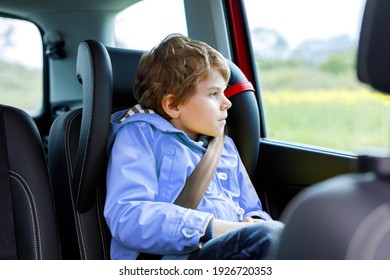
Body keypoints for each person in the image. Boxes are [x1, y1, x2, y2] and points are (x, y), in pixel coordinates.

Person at [104, 34, 283, 260]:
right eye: (214, 94)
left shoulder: (224, 146)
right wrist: (211, 228)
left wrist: (256, 222)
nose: (227, 102)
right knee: (268, 238)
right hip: (178, 259)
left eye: (225, 92)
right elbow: (128, 217)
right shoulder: (140, 135)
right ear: (173, 105)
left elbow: (250, 208)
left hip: (232, 251)